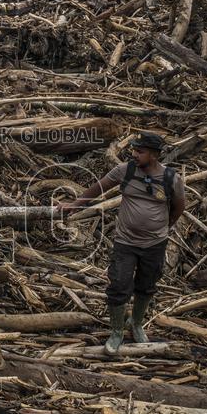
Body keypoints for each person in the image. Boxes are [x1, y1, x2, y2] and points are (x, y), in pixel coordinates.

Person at [59, 132, 186, 354]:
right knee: (118, 285)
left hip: (155, 244)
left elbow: (178, 207)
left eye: (140, 151)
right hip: (125, 242)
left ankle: (136, 324)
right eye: (134, 150)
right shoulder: (125, 171)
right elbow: (98, 187)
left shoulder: (170, 179)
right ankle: (116, 332)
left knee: (146, 285)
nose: (134, 154)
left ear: (155, 155)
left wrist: (163, 228)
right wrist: (75, 204)